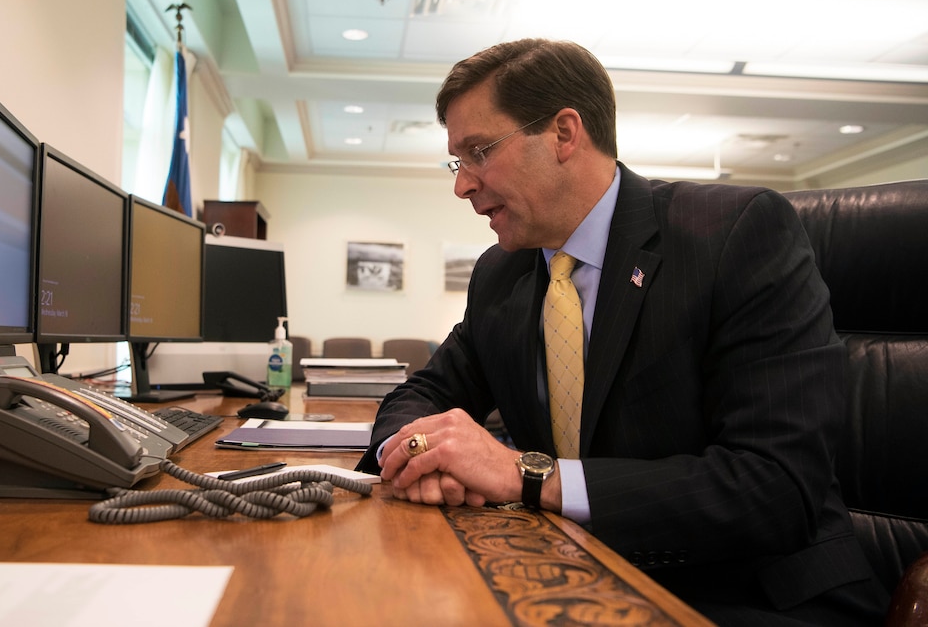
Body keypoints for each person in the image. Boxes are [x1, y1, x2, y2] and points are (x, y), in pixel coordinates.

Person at [355, 38, 889, 625]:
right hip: (571, 574)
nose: (463, 186)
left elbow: (774, 487)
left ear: (564, 133)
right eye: (458, 162)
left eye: (479, 152)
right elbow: (421, 394)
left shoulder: (735, 234)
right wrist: (414, 453)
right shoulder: (501, 273)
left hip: (750, 593)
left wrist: (530, 478)